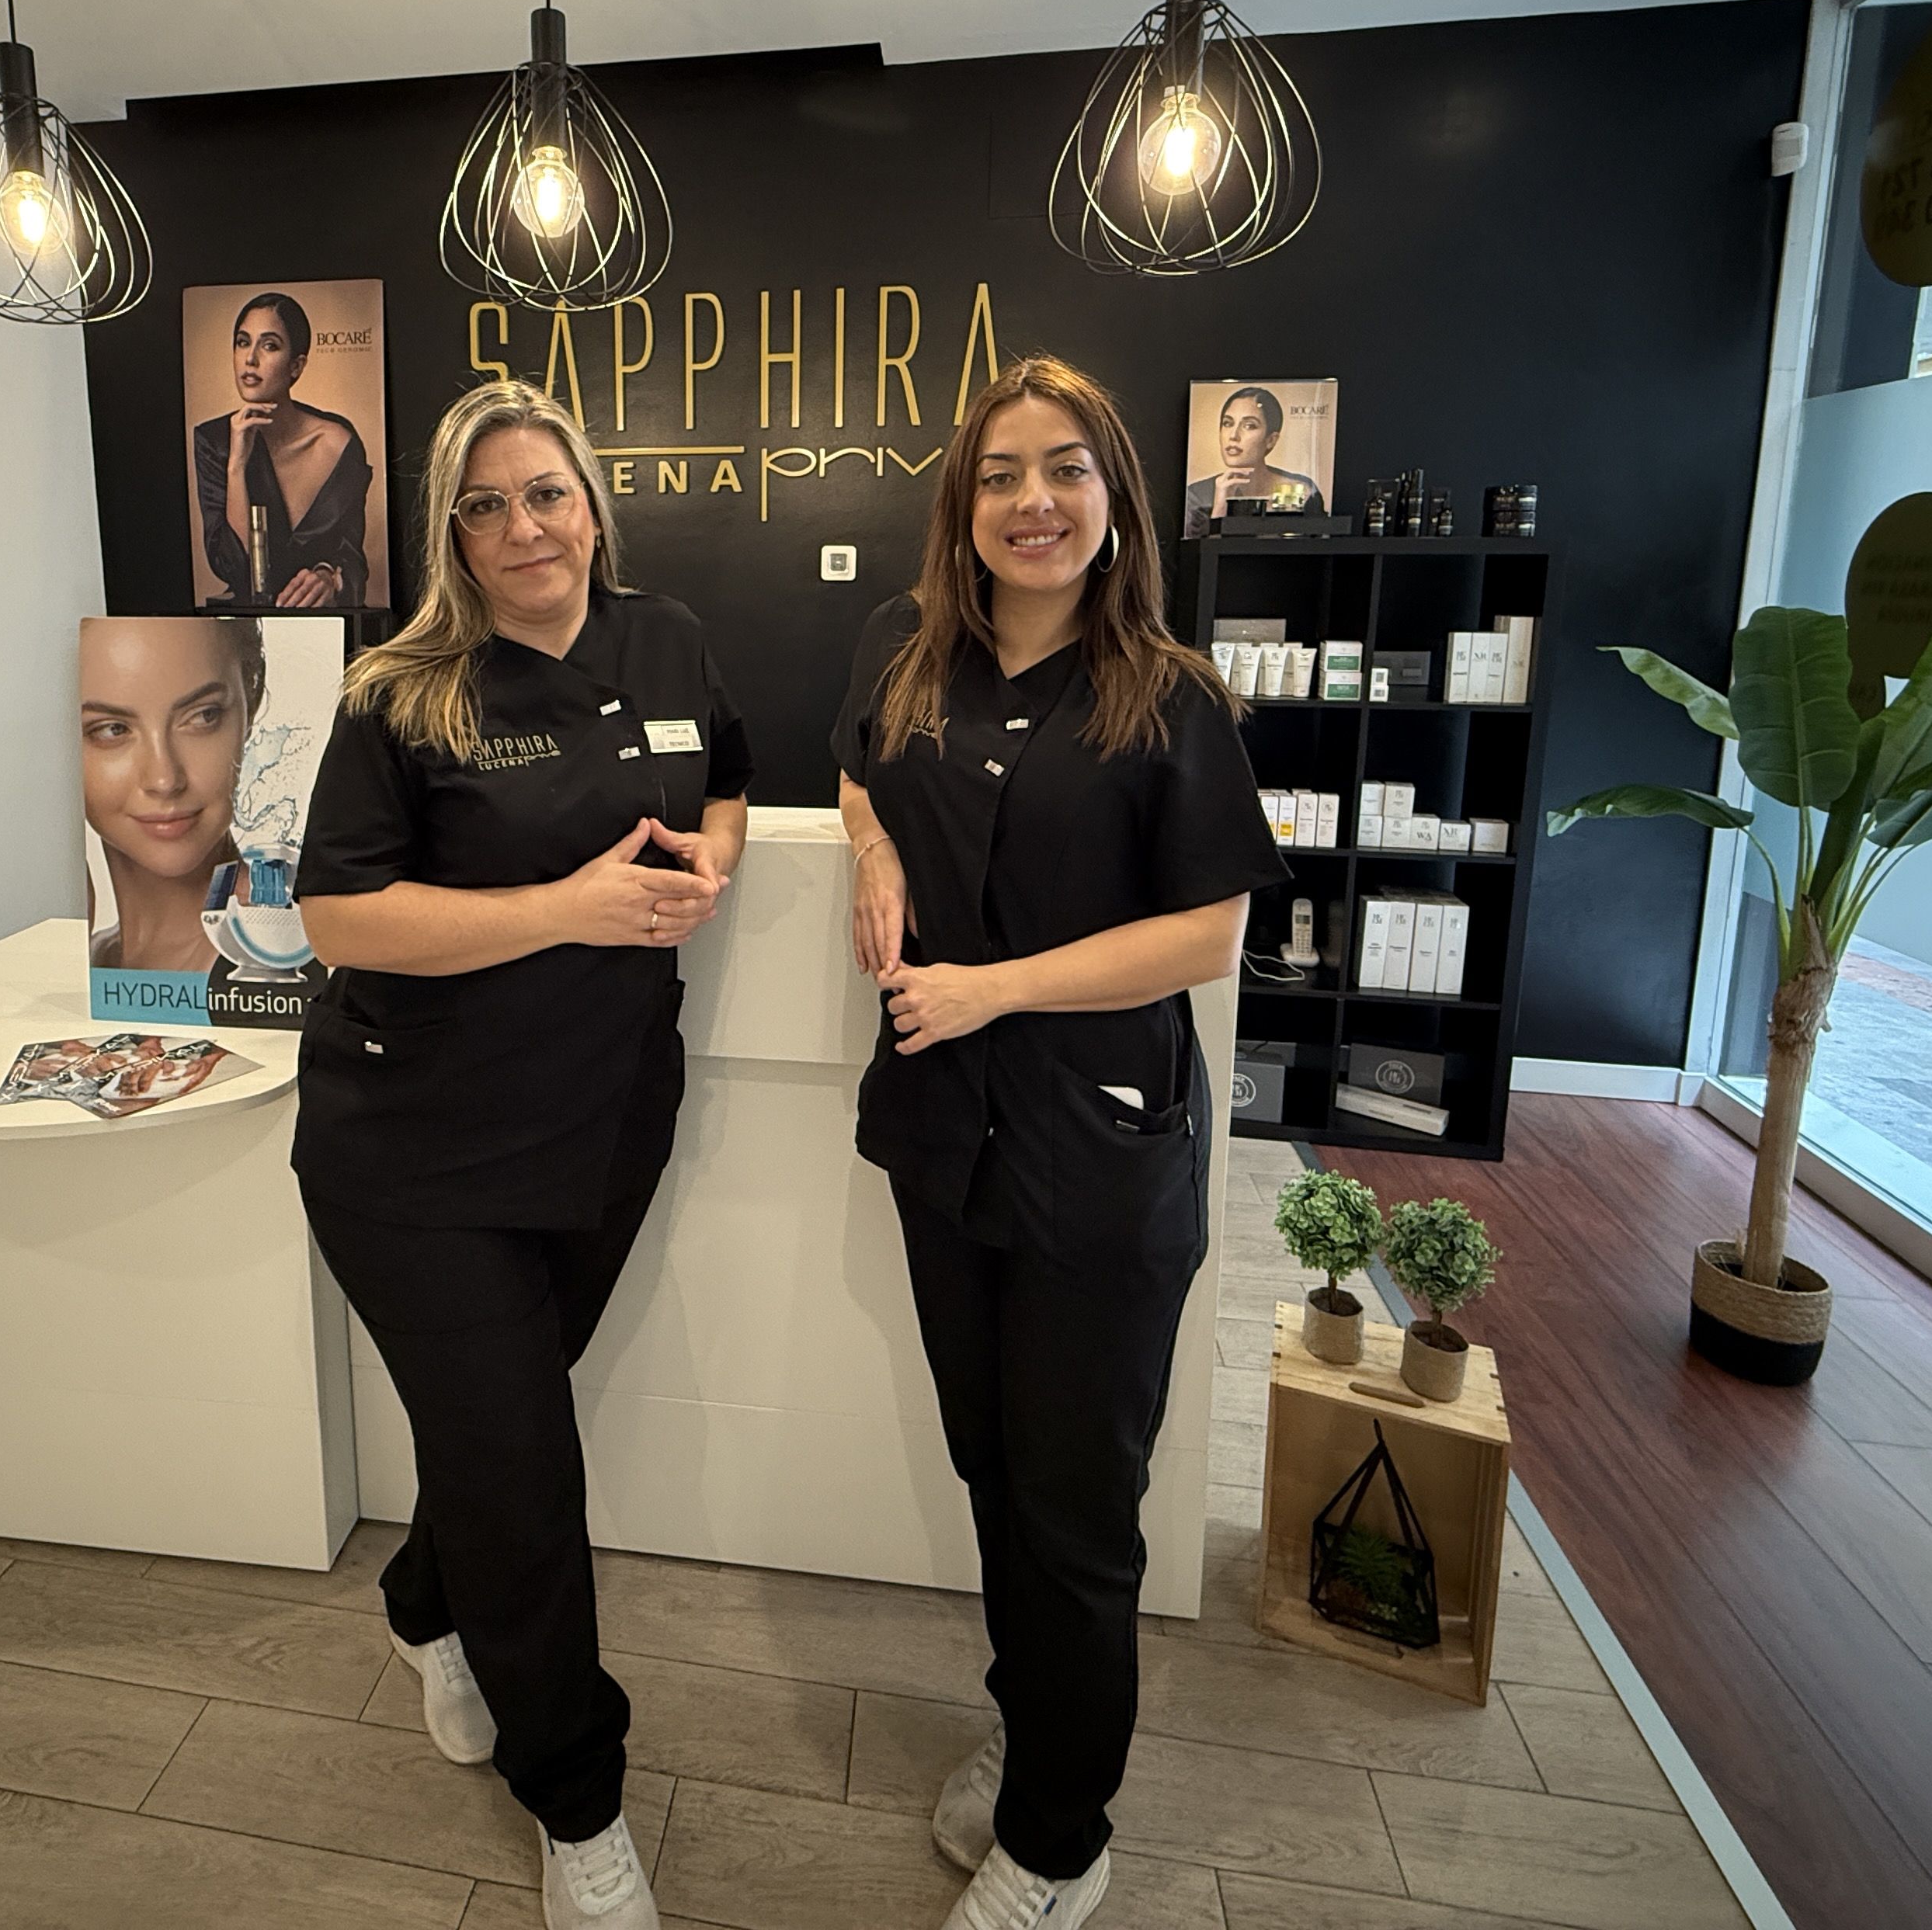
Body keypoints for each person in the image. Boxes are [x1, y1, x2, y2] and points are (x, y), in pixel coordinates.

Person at [294, 378, 749, 1930]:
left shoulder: (665, 638)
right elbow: (340, 915)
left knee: (500, 1441)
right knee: (527, 1476)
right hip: (413, 1148)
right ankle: (580, 1806)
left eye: (545, 491)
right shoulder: (399, 691)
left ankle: (426, 1600)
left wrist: (712, 863)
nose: (522, 526)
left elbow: (729, 775)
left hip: (606, 1117)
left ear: (591, 503)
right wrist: (566, 908)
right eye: (483, 504)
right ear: (451, 533)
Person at [834, 357, 1284, 1930]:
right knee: (994, 1471)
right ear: (961, 505)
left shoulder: (1170, 695)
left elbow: (1206, 936)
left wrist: (991, 988)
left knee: (1078, 1512)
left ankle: (1058, 1841)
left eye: (1066, 468)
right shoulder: (905, 654)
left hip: (1099, 1156)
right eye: (1001, 472)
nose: (1033, 500)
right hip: (945, 1142)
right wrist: (872, 850)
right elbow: (854, 768)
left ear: (1114, 499)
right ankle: (1036, 1736)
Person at [80, 613, 265, 975]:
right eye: (112, 729)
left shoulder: (282, 957)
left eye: (203, 716)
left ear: (251, 703)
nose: (165, 780)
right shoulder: (93, 955)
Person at [194, 291, 376, 606]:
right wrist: (236, 466)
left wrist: (329, 578)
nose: (250, 359)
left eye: (269, 346)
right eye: (242, 342)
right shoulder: (215, 441)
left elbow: (351, 557)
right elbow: (233, 569)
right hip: (248, 625)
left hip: (325, 622)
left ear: (296, 366)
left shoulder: (338, 443)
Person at [1180, 382, 1321, 534]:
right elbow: (1201, 548)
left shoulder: (1302, 489)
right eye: (1227, 423)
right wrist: (1221, 507)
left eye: (1249, 426)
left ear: (1271, 440)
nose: (1233, 435)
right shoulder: (1197, 495)